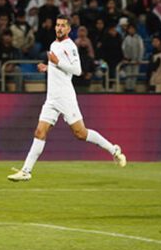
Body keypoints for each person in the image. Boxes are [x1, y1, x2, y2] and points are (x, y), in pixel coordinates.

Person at [8, 15, 127, 182]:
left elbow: (77, 70)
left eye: (63, 26)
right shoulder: (54, 44)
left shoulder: (70, 46)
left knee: (80, 133)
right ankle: (26, 171)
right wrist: (48, 67)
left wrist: (55, 63)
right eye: (57, 25)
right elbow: (59, 70)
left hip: (65, 96)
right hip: (52, 98)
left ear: (69, 29)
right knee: (40, 131)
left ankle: (113, 150)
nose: (59, 28)